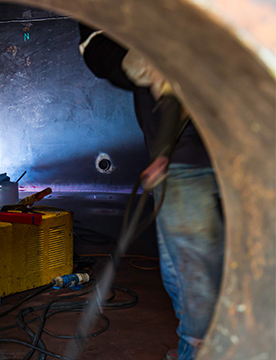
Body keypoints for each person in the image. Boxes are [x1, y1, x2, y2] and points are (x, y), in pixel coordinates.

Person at [78, 24, 225, 360]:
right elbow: (93, 39)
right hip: (181, 158)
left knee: (199, 293)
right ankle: (193, 344)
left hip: (217, 154)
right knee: (180, 275)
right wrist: (131, 59)